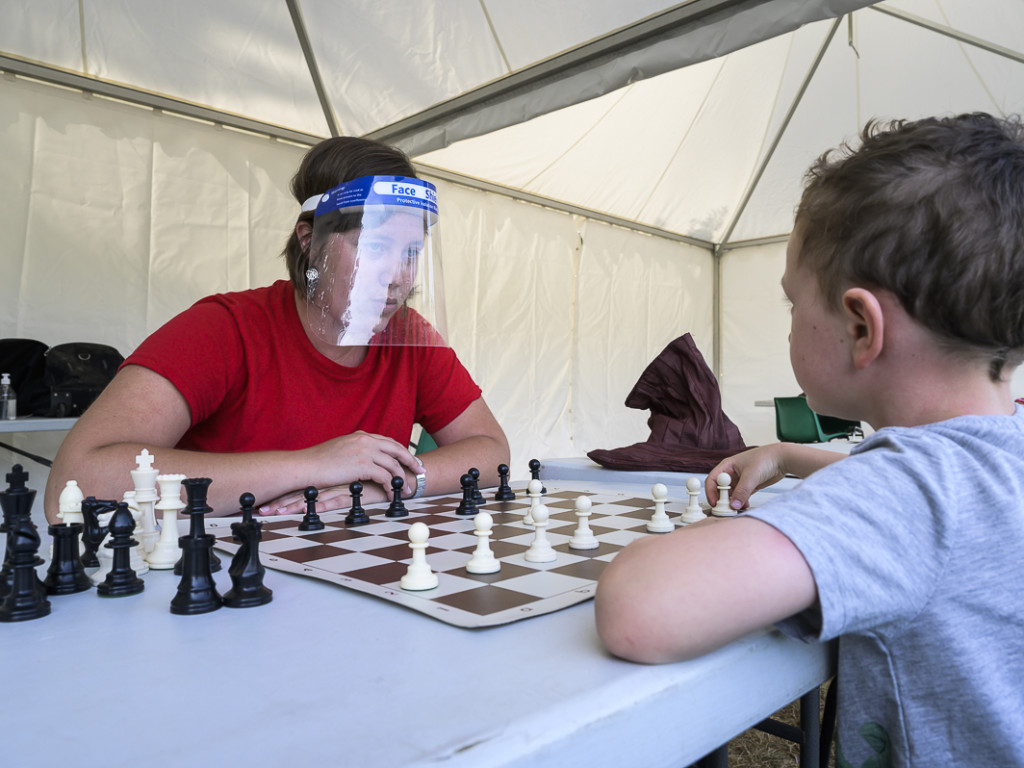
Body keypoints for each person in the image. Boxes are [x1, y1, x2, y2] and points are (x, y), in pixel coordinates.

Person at [595, 113, 1024, 767]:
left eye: (794, 305)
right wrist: (792, 456)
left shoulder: (904, 492)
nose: (791, 324)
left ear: (860, 327)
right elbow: (941, 510)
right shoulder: (993, 460)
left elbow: (640, 611)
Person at [43, 137, 509, 521]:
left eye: (410, 252)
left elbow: (493, 452)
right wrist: (313, 467)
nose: (398, 277)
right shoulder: (223, 329)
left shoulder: (411, 337)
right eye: (376, 245)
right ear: (311, 240)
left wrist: (390, 483)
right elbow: (74, 481)